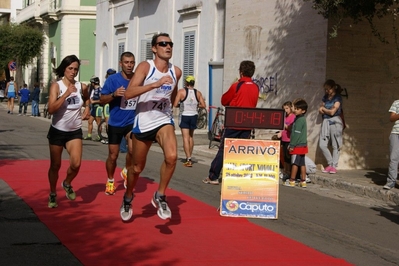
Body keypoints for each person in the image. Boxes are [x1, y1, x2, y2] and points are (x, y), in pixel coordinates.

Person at [121, 32, 182, 221]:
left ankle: (160, 195)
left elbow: (172, 94)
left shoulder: (176, 71)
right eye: (163, 43)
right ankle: (128, 196)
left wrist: (174, 104)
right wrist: (154, 84)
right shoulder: (146, 67)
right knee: (137, 168)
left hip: (163, 119)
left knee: (172, 157)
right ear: (154, 48)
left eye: (170, 43)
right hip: (144, 120)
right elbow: (129, 93)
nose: (168, 46)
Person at [203, 60, 259, 185]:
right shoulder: (256, 87)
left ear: (241, 72)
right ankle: (237, 176)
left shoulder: (237, 85)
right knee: (241, 151)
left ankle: (213, 176)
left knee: (224, 149)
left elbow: (224, 100)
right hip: (248, 123)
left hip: (234, 122)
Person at [46, 55, 90, 208]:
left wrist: (88, 108)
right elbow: (51, 109)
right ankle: (52, 193)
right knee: (55, 165)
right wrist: (65, 95)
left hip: (74, 131)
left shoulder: (81, 86)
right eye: (70, 68)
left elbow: (87, 97)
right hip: (58, 131)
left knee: (76, 164)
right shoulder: (56, 86)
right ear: (64, 69)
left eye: (76, 69)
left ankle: (67, 183)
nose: (73, 72)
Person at [100, 52, 136, 196]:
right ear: (120, 63)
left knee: (133, 151)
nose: (129, 65)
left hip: (132, 121)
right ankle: (110, 180)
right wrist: (114, 95)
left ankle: (126, 170)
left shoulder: (137, 79)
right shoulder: (113, 80)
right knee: (113, 155)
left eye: (132, 62)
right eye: (126, 62)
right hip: (115, 122)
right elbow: (102, 100)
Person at [173, 75, 206, 167]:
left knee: (185, 138)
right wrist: (196, 106)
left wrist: (182, 105)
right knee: (191, 137)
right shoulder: (198, 93)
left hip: (185, 115)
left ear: (186, 83)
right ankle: (189, 156)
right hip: (194, 115)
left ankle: (188, 159)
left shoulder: (181, 92)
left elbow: (175, 104)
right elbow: (203, 105)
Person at [319, 79, 344, 174]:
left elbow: (333, 111)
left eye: (328, 89)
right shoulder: (325, 97)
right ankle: (330, 163)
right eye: (325, 89)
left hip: (335, 121)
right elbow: (320, 109)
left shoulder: (337, 97)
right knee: (322, 144)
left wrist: (324, 109)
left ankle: (334, 165)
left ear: (333, 88)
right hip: (326, 121)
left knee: (335, 144)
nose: (327, 91)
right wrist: (326, 110)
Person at [284, 99, 308, 188]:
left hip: (297, 145)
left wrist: (292, 145)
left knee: (294, 163)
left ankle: (292, 180)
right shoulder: (301, 119)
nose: (295, 110)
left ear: (303, 111)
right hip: (303, 145)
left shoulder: (299, 120)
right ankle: (303, 181)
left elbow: (296, 134)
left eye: (297, 109)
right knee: (302, 163)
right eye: (295, 108)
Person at [383, 99, 399, 190]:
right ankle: (391, 181)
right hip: (396, 133)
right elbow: (391, 118)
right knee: (394, 158)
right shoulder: (396, 102)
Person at [277, 101, 295, 179]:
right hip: (284, 139)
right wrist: (280, 133)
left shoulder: (293, 117)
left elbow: (291, 128)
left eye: (287, 108)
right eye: (284, 109)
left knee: (288, 157)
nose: (286, 110)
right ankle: (285, 171)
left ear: (291, 108)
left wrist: (285, 126)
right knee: (284, 157)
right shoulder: (284, 117)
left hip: (289, 139)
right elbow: (282, 128)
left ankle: (289, 172)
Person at [100, 68, 117, 145]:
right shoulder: (115, 80)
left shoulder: (107, 80)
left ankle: (110, 139)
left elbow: (103, 94)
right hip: (113, 102)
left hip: (108, 103)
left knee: (108, 122)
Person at [83, 76, 102, 141]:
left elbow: (102, 100)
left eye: (92, 83)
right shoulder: (94, 90)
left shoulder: (100, 90)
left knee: (98, 122)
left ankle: (99, 136)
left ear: (93, 83)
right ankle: (89, 135)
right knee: (90, 121)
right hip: (93, 108)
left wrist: (94, 101)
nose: (91, 84)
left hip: (98, 107)